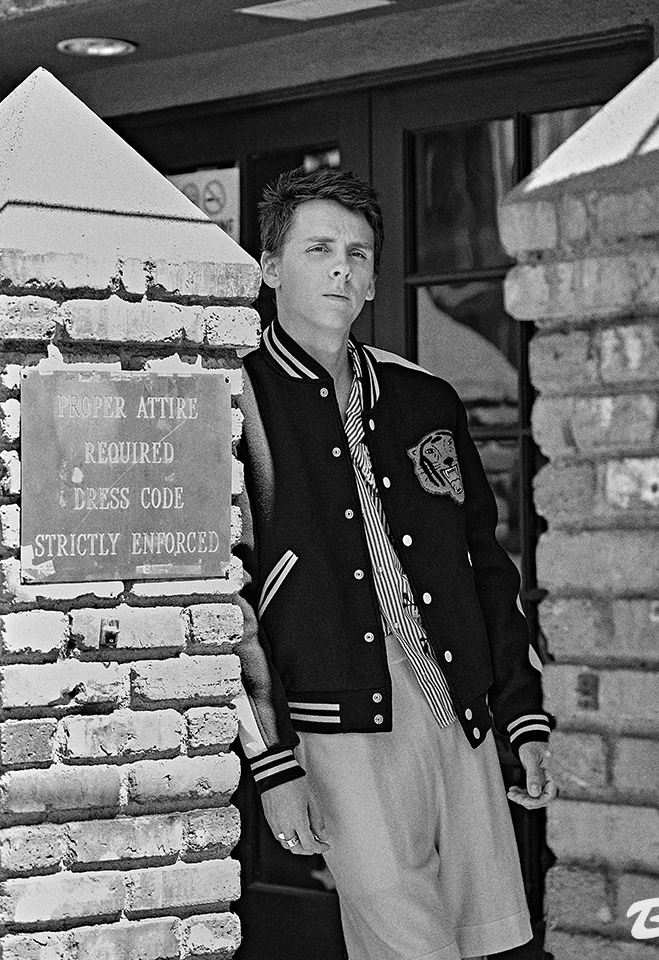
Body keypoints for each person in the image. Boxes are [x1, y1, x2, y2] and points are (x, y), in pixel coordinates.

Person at [232, 166, 555, 960]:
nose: (341, 269)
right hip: (335, 720)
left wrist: (524, 716)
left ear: (374, 277)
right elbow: (225, 599)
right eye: (317, 250)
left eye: (358, 254)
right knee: (406, 944)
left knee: (484, 942)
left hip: (458, 707)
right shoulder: (234, 402)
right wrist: (272, 762)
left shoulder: (425, 398)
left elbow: (487, 567)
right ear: (270, 268)